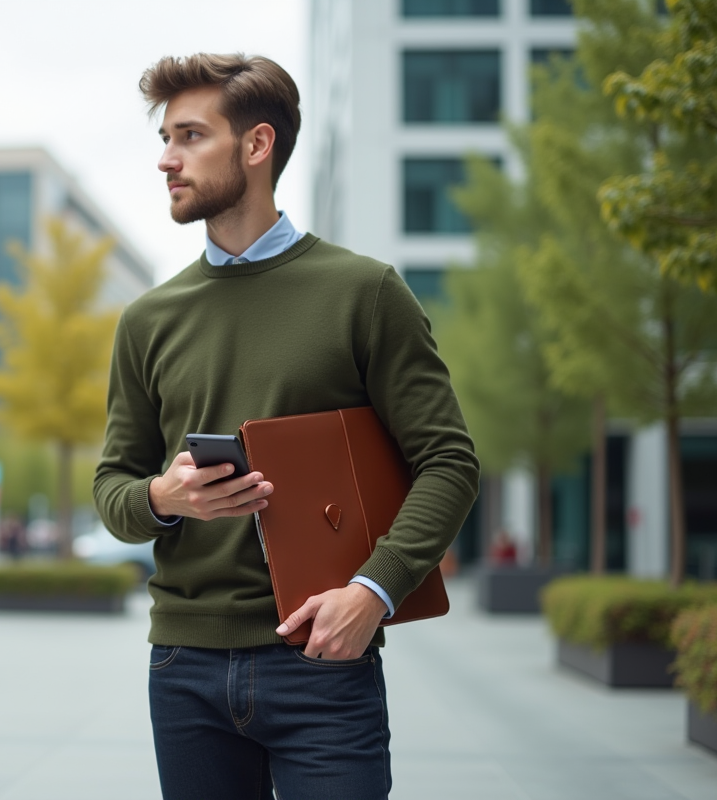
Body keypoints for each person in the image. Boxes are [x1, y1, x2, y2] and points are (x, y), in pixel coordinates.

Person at [93, 55, 480, 799]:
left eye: (189, 136)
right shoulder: (147, 320)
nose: (165, 159)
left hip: (324, 661)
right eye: (166, 138)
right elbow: (113, 487)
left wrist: (374, 592)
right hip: (184, 668)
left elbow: (449, 463)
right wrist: (166, 498)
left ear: (257, 145)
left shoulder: (364, 293)